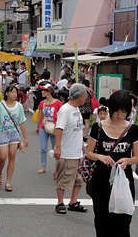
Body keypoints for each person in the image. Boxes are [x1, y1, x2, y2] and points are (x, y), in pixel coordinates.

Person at [87, 91, 138, 236]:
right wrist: (100, 156)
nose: (119, 115)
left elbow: (136, 157)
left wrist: (127, 160)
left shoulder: (133, 130)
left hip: (124, 180)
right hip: (102, 181)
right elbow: (89, 153)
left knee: (123, 221)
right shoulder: (98, 127)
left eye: (123, 112)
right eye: (116, 111)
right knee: (102, 220)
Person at [54, 83, 87, 214]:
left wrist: (82, 146)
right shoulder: (65, 110)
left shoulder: (76, 109)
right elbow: (59, 129)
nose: (86, 98)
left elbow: (77, 130)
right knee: (63, 179)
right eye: (85, 96)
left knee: (78, 179)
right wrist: (58, 148)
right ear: (80, 96)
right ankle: (60, 203)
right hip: (67, 152)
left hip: (77, 152)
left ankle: (73, 201)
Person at [0, 85, 29, 192]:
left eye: (16, 93)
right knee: (3, 157)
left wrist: (25, 138)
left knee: (12, 156)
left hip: (14, 134)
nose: (14, 94)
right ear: (6, 93)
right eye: (12, 92)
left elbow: (21, 122)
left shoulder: (19, 106)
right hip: (2, 133)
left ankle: (8, 182)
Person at [36, 84, 62, 174]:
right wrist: (38, 126)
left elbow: (61, 116)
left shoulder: (58, 102)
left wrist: (58, 128)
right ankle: (43, 166)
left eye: (44, 90)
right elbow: (40, 115)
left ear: (49, 92)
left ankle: (57, 169)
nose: (42, 92)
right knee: (43, 148)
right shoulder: (42, 103)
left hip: (54, 128)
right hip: (44, 127)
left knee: (56, 149)